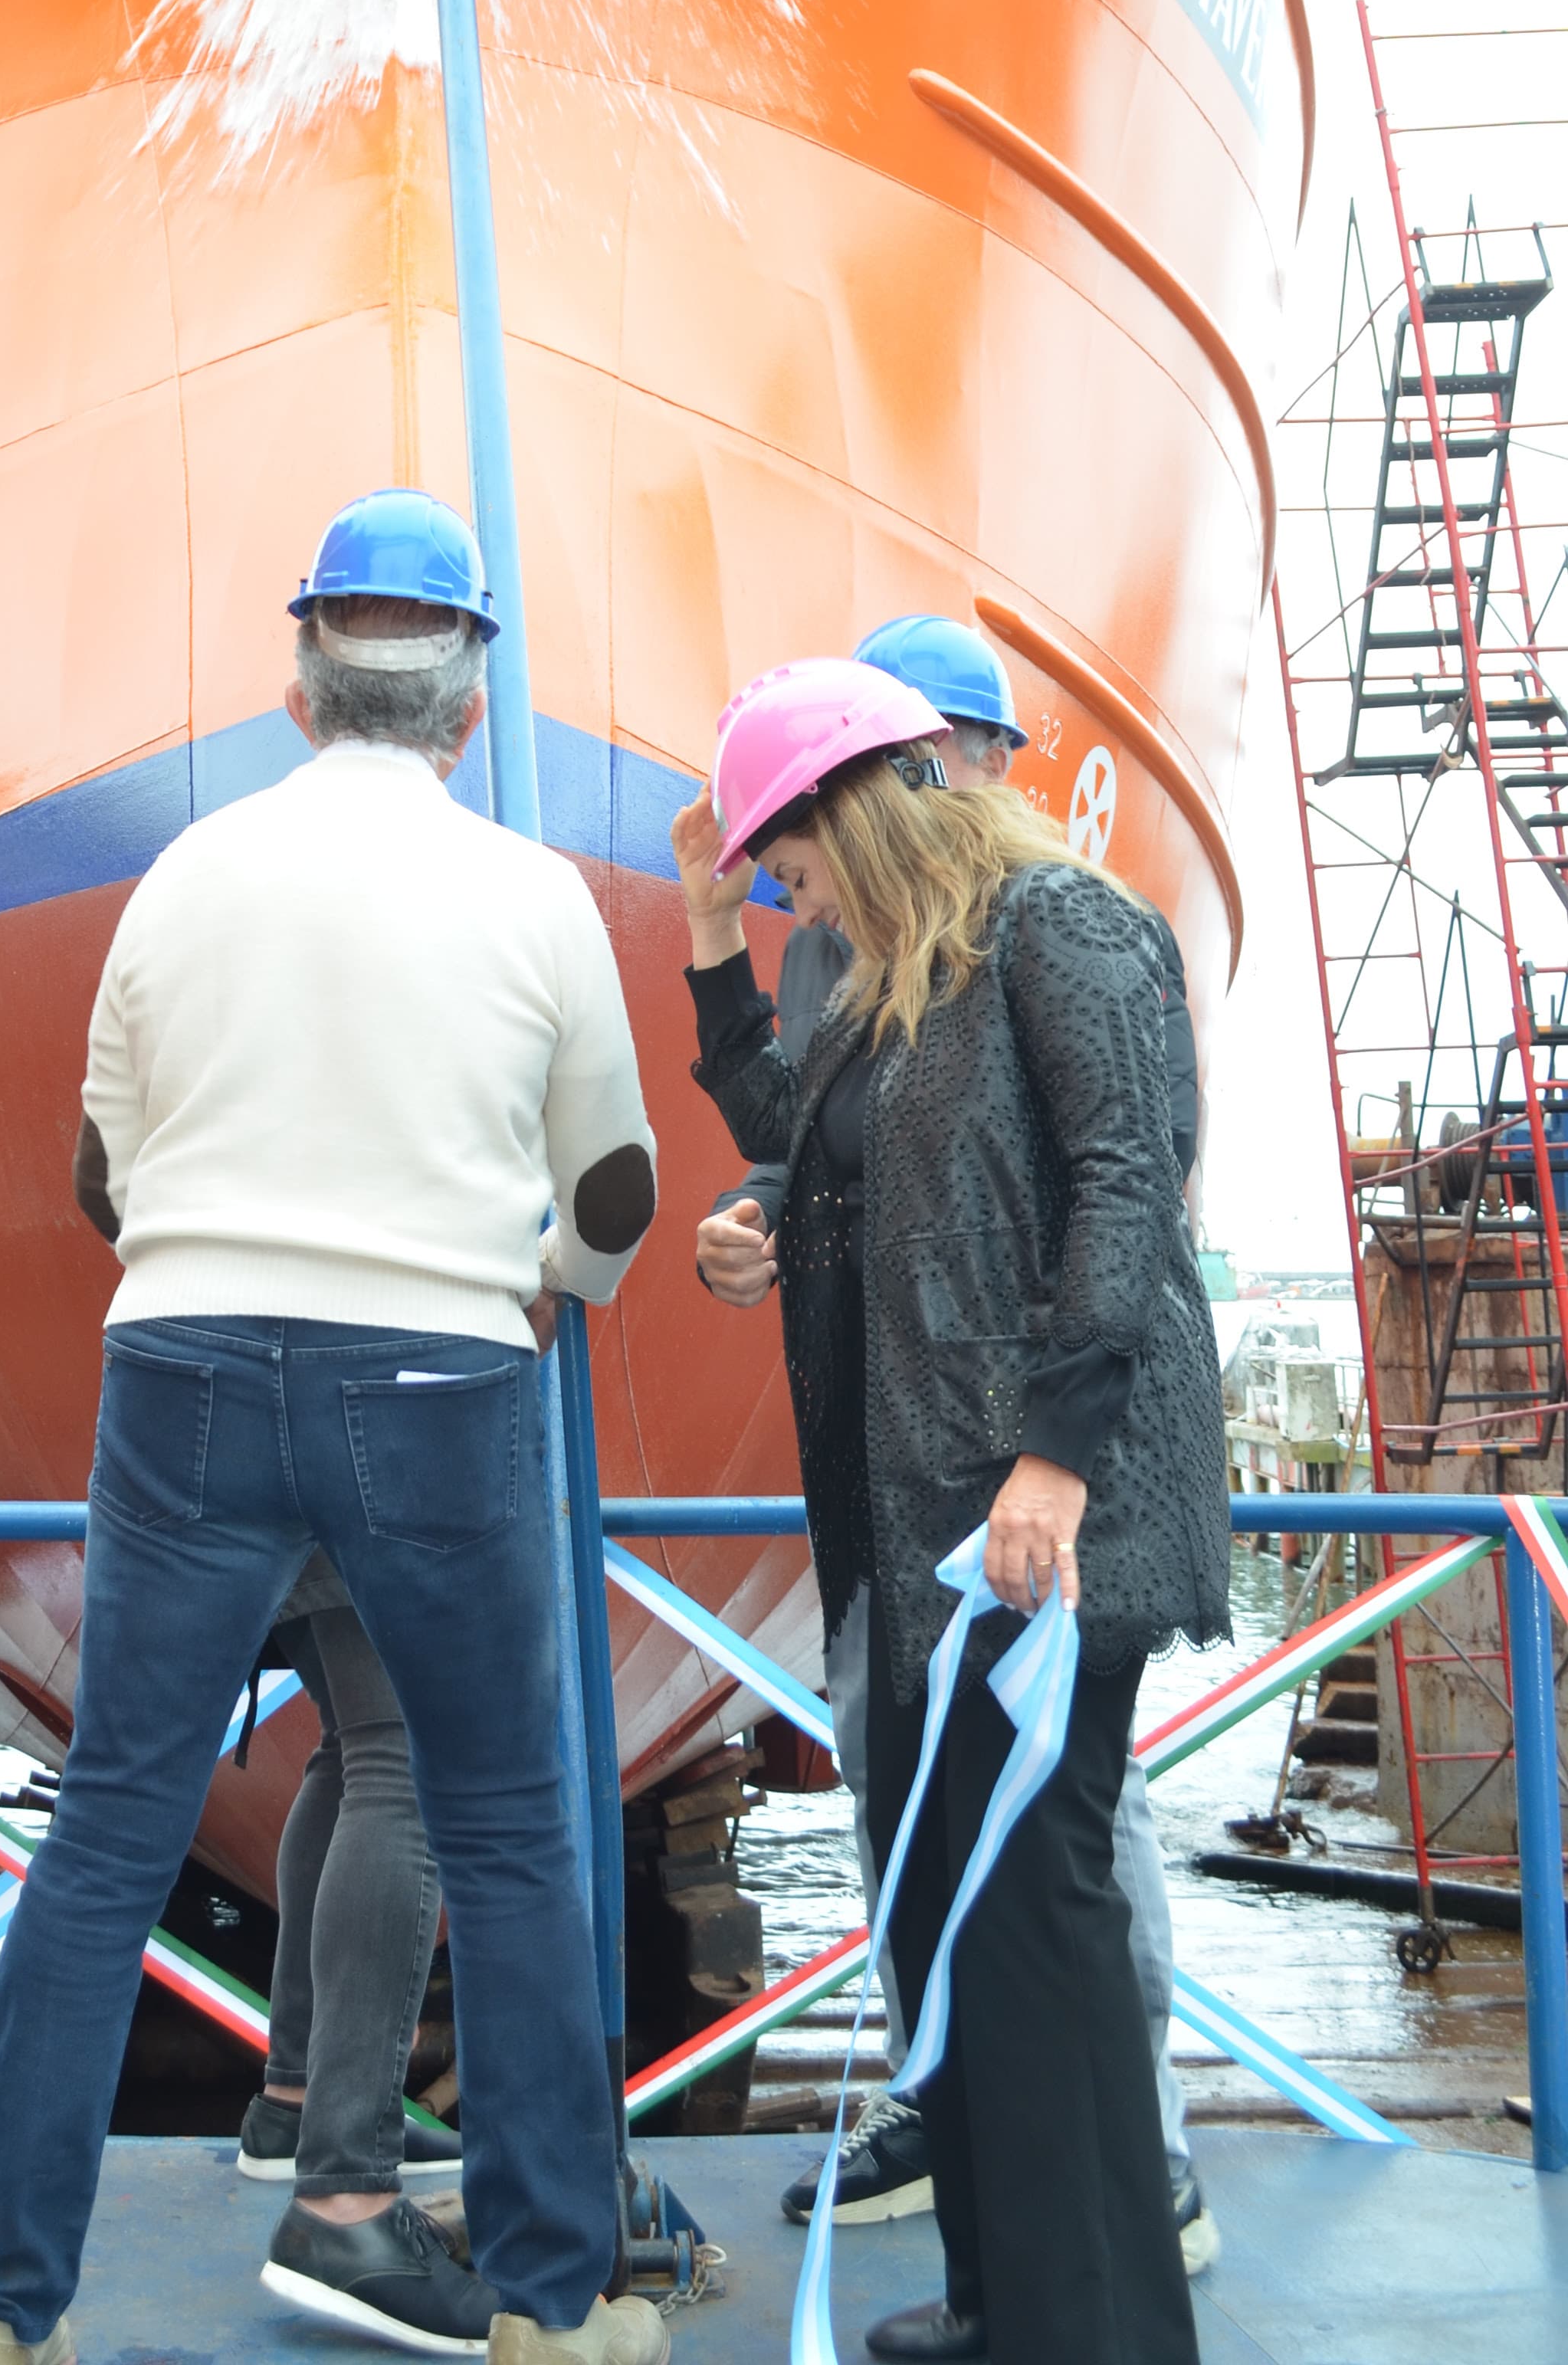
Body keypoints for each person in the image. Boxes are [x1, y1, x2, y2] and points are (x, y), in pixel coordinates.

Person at [0, 488, 668, 2365]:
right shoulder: (534, 898)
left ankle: (1, 2310)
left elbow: (106, 1167)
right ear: (470, 705)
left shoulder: (182, 880)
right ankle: (546, 2300)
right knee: (503, 1833)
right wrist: (528, 1292)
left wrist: (215, 1267)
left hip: (179, 1371)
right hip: (438, 1379)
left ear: (298, 684)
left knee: (109, 1833)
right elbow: (614, 1196)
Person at [673, 656, 1230, 2365]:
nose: (793, 897)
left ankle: (1098, 2334)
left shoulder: (1063, 925)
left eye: (789, 866)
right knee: (956, 1927)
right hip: (926, 1530)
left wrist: (1057, 1456)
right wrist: (749, 1207)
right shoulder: (898, 984)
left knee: (1037, 1916)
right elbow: (797, 1130)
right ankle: (1010, 2303)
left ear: (858, 808)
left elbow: (1133, 1177)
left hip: (1051, 1513)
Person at [235, 1553, 464, 2211]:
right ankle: (350, 2163)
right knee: (397, 1757)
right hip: (363, 1496)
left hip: (290, 1510)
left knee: (354, 1747)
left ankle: (298, 2105)